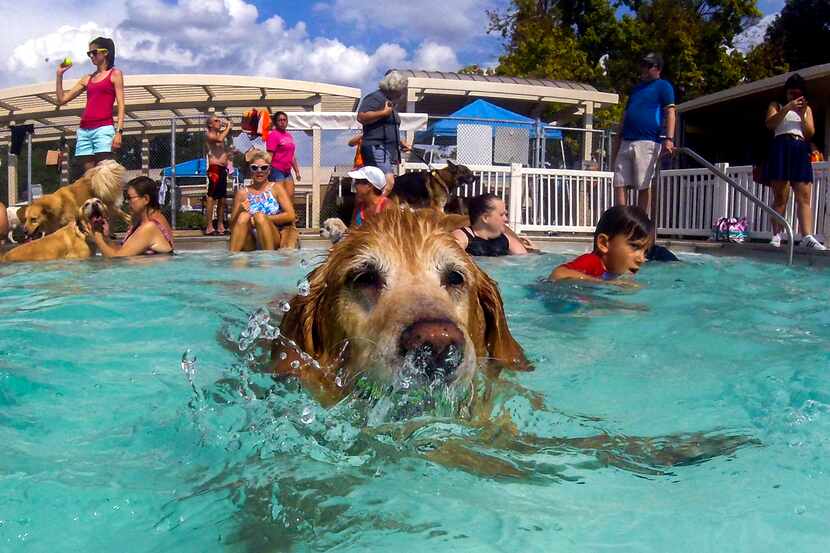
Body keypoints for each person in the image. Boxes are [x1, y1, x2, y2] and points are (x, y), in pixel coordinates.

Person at [765, 74, 826, 250]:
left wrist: (801, 113)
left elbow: (809, 133)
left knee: (804, 195)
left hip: (799, 147)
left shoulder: (806, 110)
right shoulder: (776, 105)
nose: (794, 97)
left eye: (797, 93)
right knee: (780, 195)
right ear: (786, 92)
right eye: (791, 93)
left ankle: (806, 236)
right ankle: (776, 235)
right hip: (781, 147)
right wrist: (788, 108)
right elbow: (770, 124)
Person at [613, 52, 675, 214]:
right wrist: (618, 137)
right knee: (619, 182)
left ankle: (640, 222)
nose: (644, 69)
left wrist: (669, 138)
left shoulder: (663, 86)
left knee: (643, 184)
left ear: (657, 68)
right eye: (643, 65)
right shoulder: (636, 89)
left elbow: (670, 112)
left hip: (647, 141)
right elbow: (626, 115)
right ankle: (622, 220)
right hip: (627, 140)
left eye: (648, 66)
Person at [55, 37, 125, 172]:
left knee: (105, 174)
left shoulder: (115, 74)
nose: (91, 56)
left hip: (104, 128)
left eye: (94, 52)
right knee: (89, 176)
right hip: (84, 130)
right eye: (89, 53)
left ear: (105, 52)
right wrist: (59, 75)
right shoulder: (87, 78)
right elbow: (62, 100)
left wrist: (119, 132)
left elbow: (121, 105)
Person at [549, 205, 652, 285]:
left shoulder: (613, 271)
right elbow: (558, 274)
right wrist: (604, 284)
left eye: (645, 251)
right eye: (634, 246)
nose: (641, 259)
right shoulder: (592, 261)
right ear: (603, 244)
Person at [83, 176, 174, 256]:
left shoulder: (150, 227)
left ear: (146, 199)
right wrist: (106, 237)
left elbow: (117, 259)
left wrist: (97, 236)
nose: (126, 202)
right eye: (126, 198)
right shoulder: (141, 223)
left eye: (130, 198)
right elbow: (123, 251)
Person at [356, 71, 411, 196]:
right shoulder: (375, 98)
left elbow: (389, 127)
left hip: (387, 150)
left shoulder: (390, 102)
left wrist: (401, 142)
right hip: (376, 146)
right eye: (401, 90)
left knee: (379, 185)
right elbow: (361, 116)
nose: (402, 93)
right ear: (394, 88)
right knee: (388, 182)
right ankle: (377, 211)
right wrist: (383, 113)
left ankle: (372, 211)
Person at [229, 151, 296, 251]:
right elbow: (232, 226)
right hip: (249, 240)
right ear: (250, 170)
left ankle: (267, 260)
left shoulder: (276, 188)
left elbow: (290, 215)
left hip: (272, 236)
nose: (259, 171)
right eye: (255, 168)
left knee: (259, 217)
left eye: (264, 167)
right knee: (243, 216)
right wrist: (239, 210)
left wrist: (261, 219)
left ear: (269, 170)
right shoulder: (242, 193)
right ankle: (234, 260)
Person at [451, 193, 528, 256]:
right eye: (501, 215)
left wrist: (536, 252)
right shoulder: (462, 237)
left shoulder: (508, 241)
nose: (506, 219)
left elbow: (526, 262)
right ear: (485, 218)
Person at [205, 115, 232, 236]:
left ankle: (220, 225)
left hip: (222, 169)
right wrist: (228, 127)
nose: (219, 122)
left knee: (222, 198)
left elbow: (221, 151)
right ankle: (209, 226)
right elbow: (220, 139)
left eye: (219, 120)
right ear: (210, 124)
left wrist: (230, 154)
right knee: (211, 196)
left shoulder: (219, 136)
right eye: (216, 121)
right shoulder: (209, 134)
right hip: (214, 169)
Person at [266, 111, 301, 199]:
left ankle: (289, 213)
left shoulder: (289, 136)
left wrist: (297, 171)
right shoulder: (273, 135)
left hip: (287, 171)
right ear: (275, 122)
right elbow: (269, 155)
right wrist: (266, 171)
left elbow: (291, 155)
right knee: (279, 197)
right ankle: (277, 213)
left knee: (290, 196)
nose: (282, 122)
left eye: (284, 120)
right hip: (276, 170)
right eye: (280, 120)